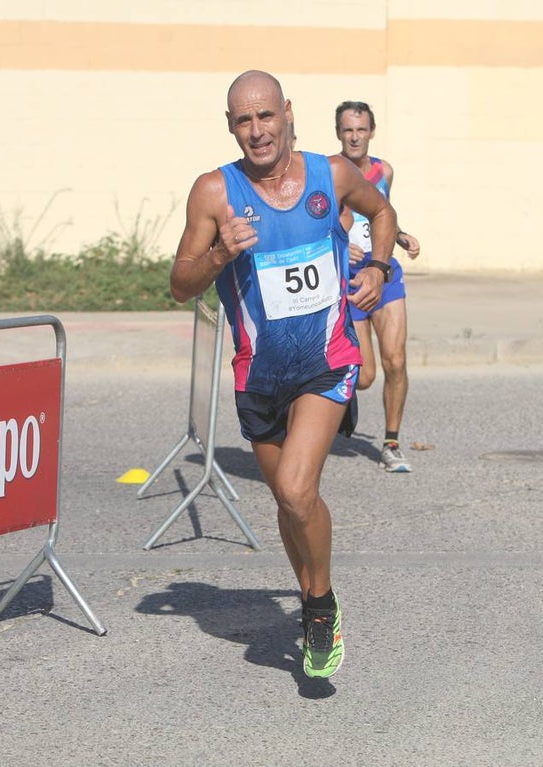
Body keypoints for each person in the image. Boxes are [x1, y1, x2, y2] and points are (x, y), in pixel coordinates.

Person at [171, 70, 398, 678]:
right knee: (289, 502)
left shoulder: (332, 174)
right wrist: (221, 253)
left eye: (266, 115)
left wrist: (378, 267)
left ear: (287, 112)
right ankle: (309, 595)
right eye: (244, 120)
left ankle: (320, 607)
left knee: (297, 489)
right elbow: (180, 285)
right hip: (260, 375)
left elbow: (382, 212)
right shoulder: (214, 192)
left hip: (328, 362)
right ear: (230, 126)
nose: (257, 131)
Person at [335, 101, 421, 473]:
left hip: (384, 272)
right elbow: (317, 223)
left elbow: (382, 213)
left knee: (396, 361)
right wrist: (340, 245)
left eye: (361, 129)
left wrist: (400, 236)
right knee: (365, 376)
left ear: (371, 132)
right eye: (348, 130)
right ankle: (336, 399)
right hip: (351, 280)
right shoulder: (330, 172)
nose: (355, 137)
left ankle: (391, 444)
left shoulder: (384, 171)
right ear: (339, 133)